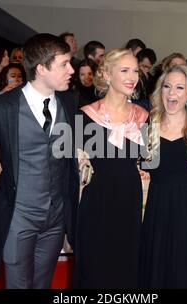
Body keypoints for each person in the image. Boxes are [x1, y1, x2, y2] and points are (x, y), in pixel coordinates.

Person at [0, 33, 79, 289]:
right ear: (40, 68)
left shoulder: (69, 103)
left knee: (43, 284)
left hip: (56, 217)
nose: (72, 70)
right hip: (18, 215)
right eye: (64, 64)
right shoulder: (1, 107)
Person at [73, 48, 149, 288]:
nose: (132, 76)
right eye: (124, 70)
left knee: (126, 268)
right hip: (96, 199)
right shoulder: (85, 116)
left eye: (135, 71)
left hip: (129, 197)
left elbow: (152, 161)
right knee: (94, 268)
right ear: (106, 74)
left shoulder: (143, 117)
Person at [139, 64, 187, 288]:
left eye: (180, 87)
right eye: (167, 86)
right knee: (156, 269)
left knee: (186, 271)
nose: (172, 93)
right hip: (157, 208)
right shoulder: (147, 127)